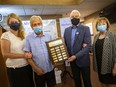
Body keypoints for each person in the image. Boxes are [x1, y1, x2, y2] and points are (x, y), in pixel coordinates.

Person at [0, 13, 35, 87]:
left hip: (27, 66)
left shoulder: (24, 34)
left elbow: (28, 47)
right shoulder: (6, 35)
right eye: (12, 22)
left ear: (19, 22)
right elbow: (5, 54)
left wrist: (30, 52)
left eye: (16, 22)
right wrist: (23, 55)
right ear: (8, 24)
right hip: (15, 69)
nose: (14, 24)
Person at [23, 15, 56, 87]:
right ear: (32, 27)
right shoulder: (28, 38)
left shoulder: (48, 36)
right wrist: (36, 68)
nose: (37, 26)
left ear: (41, 24)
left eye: (39, 24)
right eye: (35, 25)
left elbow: (52, 51)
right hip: (38, 71)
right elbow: (27, 56)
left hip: (50, 69)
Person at [64, 10, 92, 87]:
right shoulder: (67, 30)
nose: (74, 18)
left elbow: (88, 46)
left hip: (83, 60)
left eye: (76, 16)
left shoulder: (85, 29)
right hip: (73, 62)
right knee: (76, 81)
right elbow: (65, 45)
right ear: (70, 18)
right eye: (72, 16)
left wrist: (76, 56)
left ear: (79, 17)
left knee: (87, 81)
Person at [92, 17, 116, 87]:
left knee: (110, 83)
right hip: (99, 64)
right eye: (99, 24)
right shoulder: (96, 36)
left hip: (109, 65)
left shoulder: (111, 35)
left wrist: (115, 67)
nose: (101, 26)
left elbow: (115, 51)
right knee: (102, 81)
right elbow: (94, 48)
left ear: (107, 25)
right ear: (97, 26)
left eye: (103, 24)